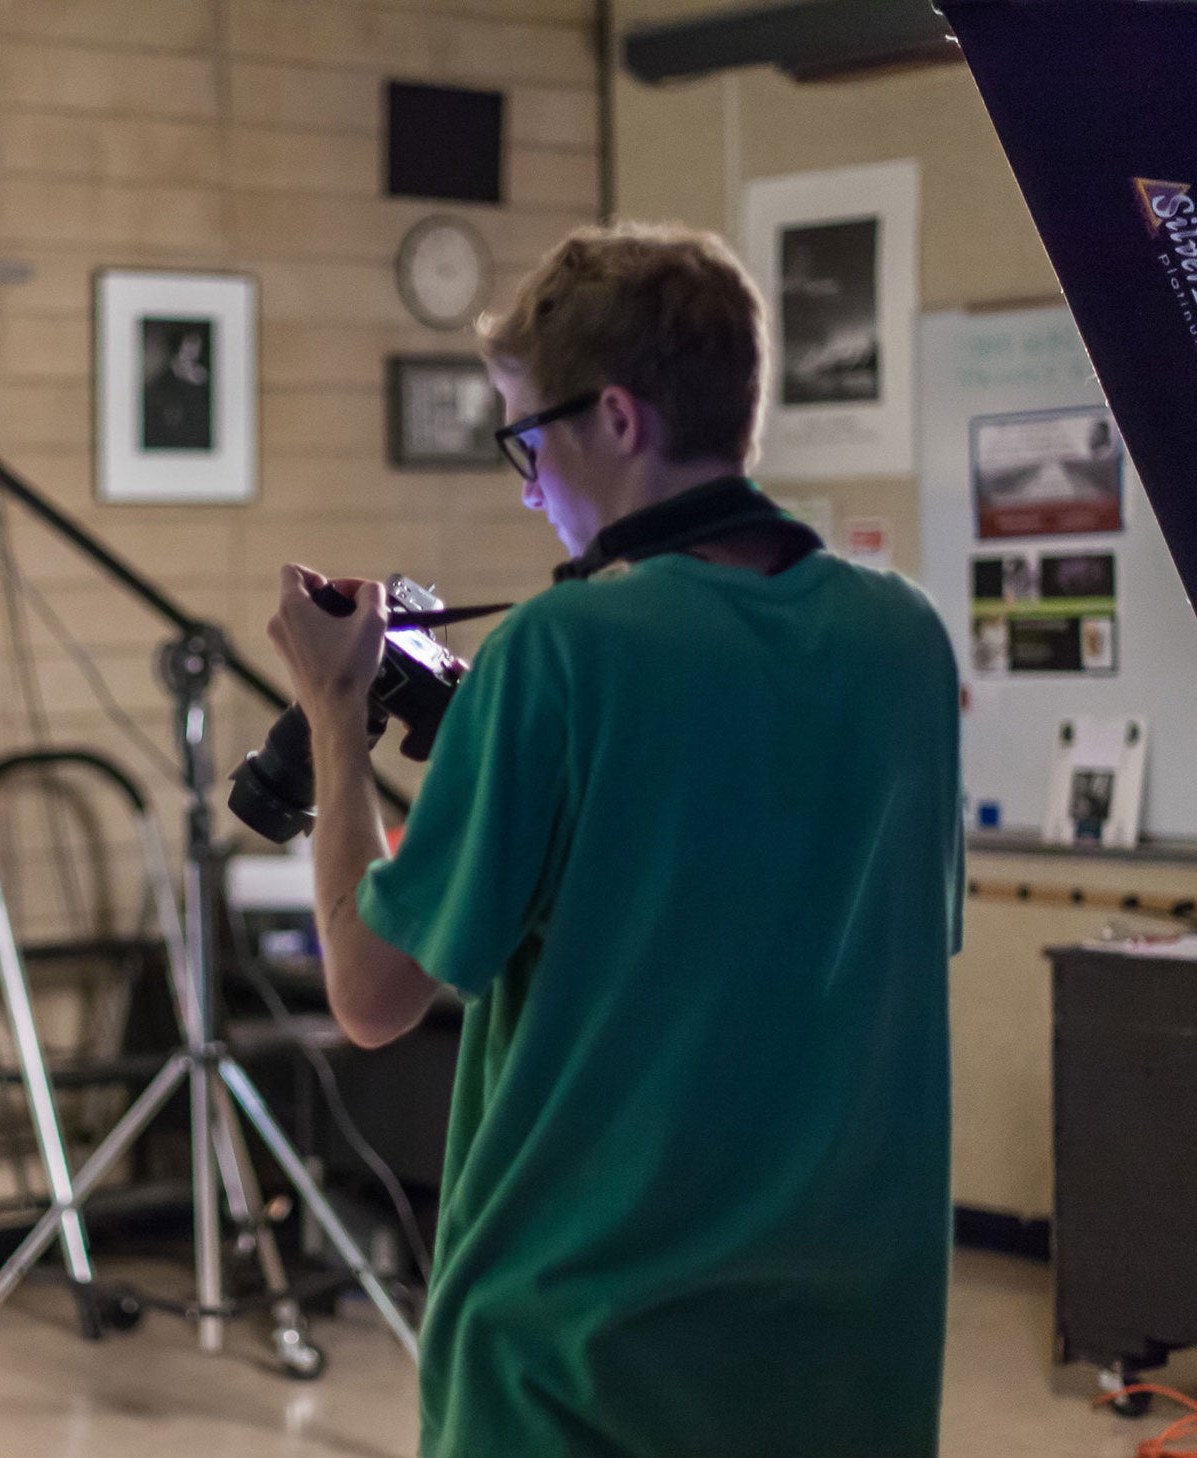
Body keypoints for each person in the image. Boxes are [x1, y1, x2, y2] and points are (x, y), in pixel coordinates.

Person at [267, 222, 962, 1458]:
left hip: (585, 1362)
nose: (527, 486)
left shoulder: (564, 653)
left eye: (524, 442)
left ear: (620, 420)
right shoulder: (901, 639)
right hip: (844, 1353)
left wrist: (332, 713)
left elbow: (370, 993)